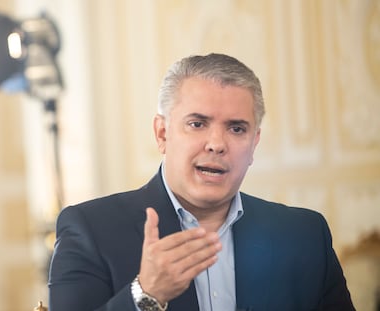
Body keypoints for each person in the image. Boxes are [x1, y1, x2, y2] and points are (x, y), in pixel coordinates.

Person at [48, 53, 355, 311]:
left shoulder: (304, 235)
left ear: (254, 142)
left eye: (236, 129)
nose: (217, 144)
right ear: (162, 133)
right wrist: (145, 295)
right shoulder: (89, 229)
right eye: (197, 124)